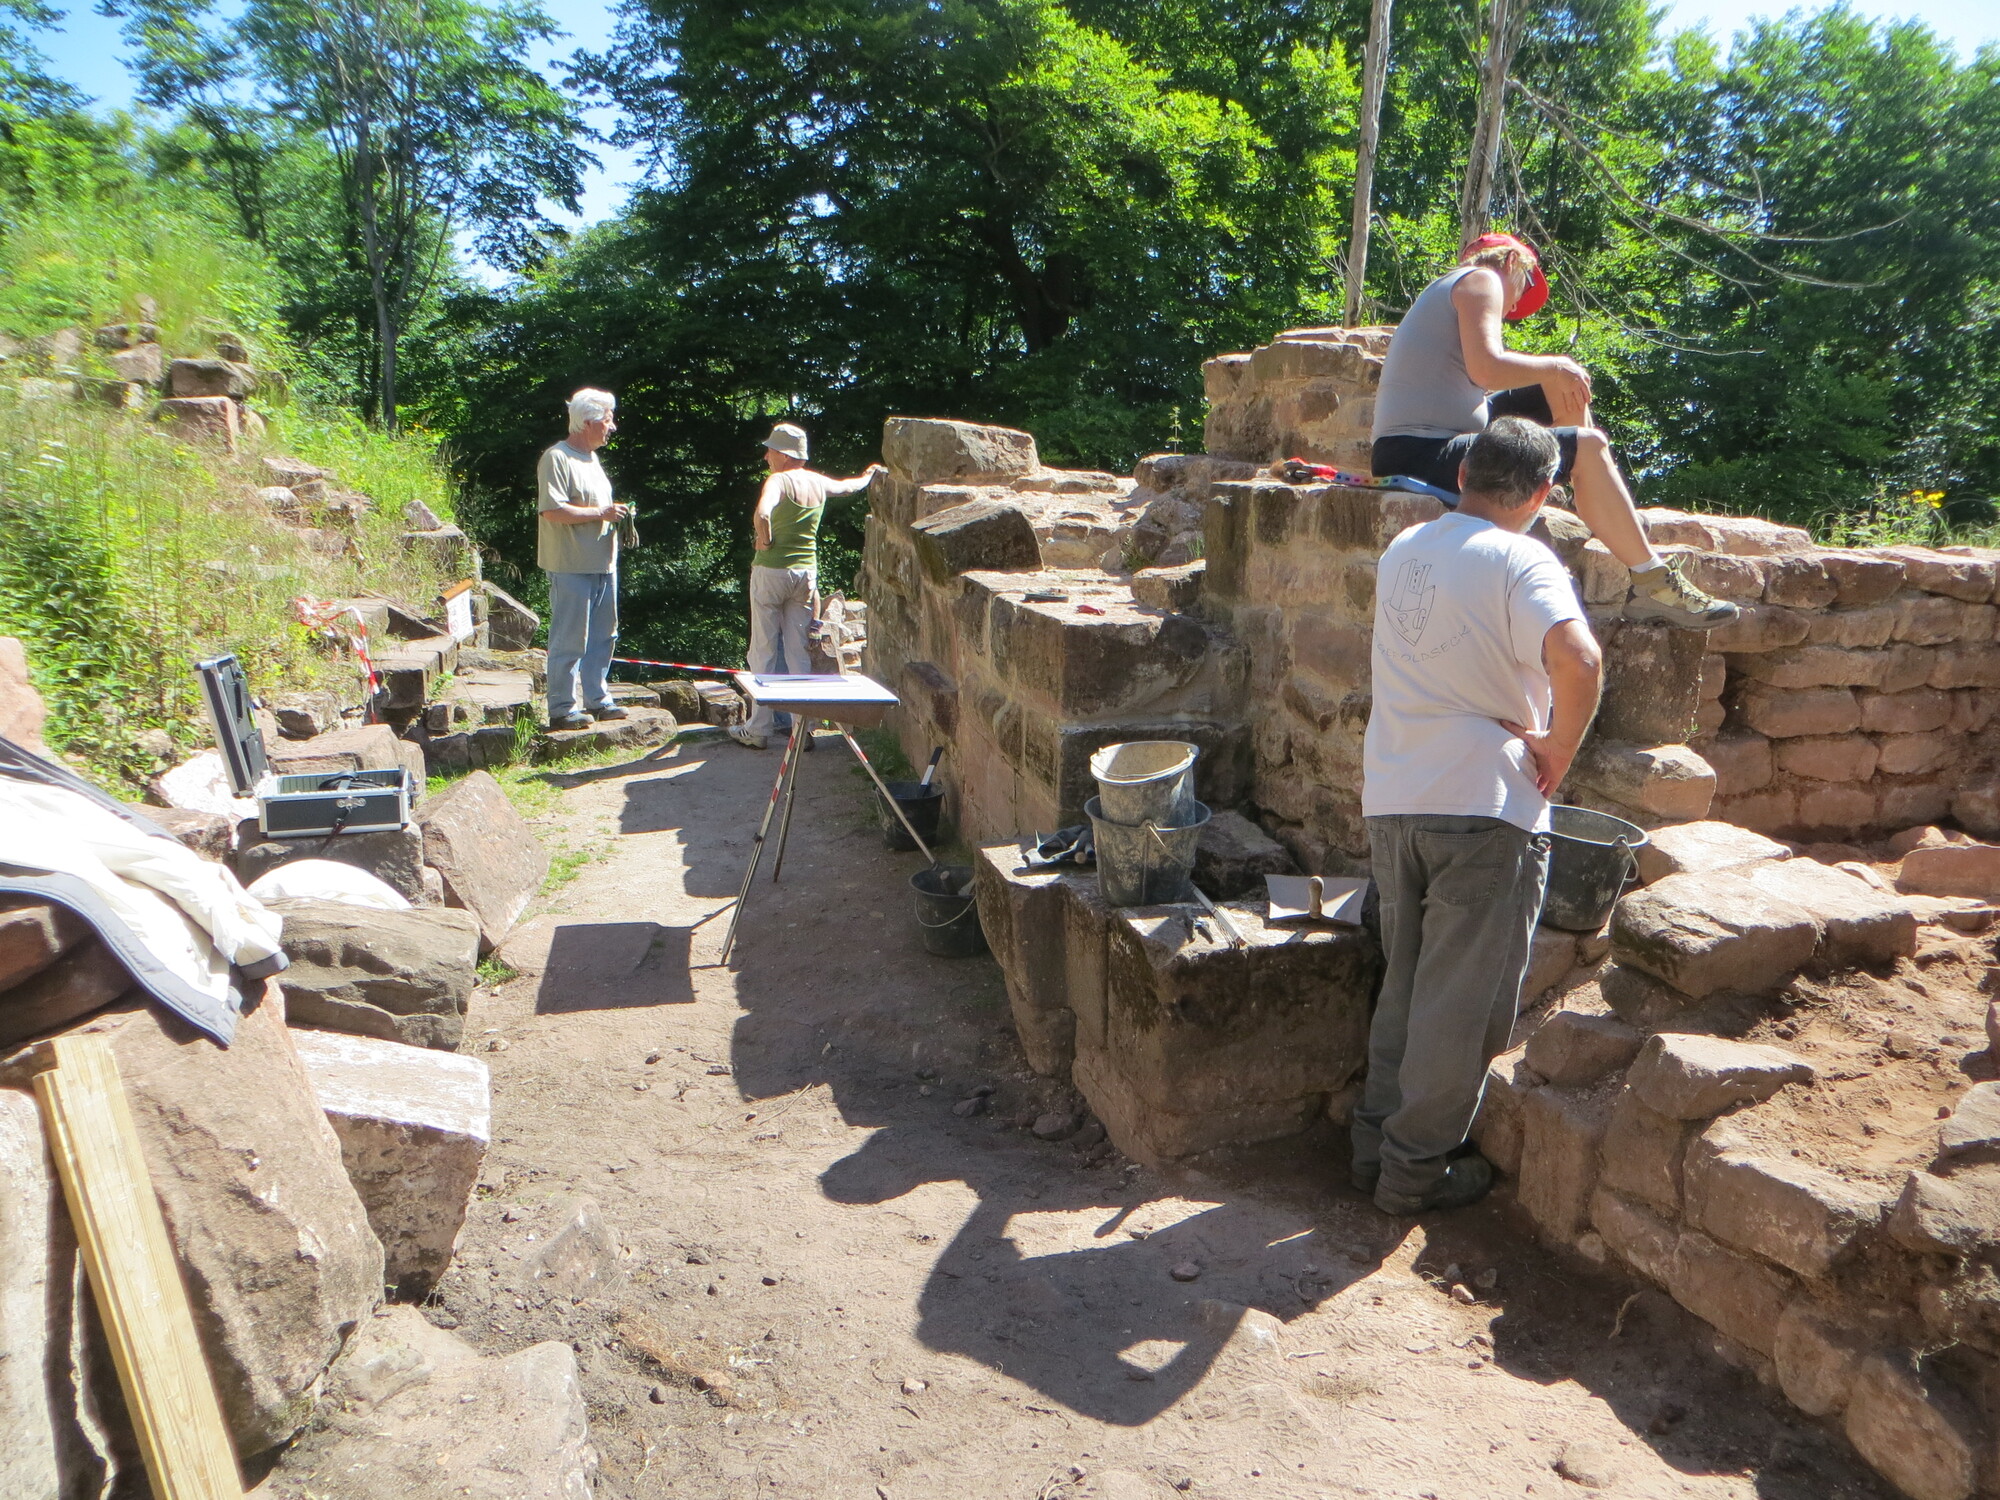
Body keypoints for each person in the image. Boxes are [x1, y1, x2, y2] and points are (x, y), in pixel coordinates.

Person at [1352, 418, 1604, 1216]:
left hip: (1395, 795)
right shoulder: (1522, 557)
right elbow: (1580, 659)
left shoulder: (1405, 549)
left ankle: (1372, 1149)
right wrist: (1558, 749)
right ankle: (1412, 1175)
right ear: (1543, 493)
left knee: (1406, 986)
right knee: (1460, 1005)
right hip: (1482, 805)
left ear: (1462, 475)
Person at [1371, 233, 1737, 631]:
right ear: (1511, 262)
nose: (1515, 305)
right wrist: (1556, 366)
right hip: (1421, 451)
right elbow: (1487, 369)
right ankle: (1652, 582)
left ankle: (1595, 499)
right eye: (1525, 286)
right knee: (1587, 441)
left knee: (1561, 385)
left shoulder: (1449, 287)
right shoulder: (1481, 279)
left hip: (1425, 441)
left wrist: (1556, 374)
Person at [728, 423, 884, 750]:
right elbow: (848, 487)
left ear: (785, 455)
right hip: (805, 574)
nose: (766, 456)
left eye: (771, 450)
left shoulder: (778, 481)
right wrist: (868, 476)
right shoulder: (817, 481)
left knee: (763, 650)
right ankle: (802, 731)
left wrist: (764, 540)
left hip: (771, 572)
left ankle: (758, 729)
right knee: (798, 652)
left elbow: (762, 513)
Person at [538, 388, 632, 732]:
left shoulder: (592, 459)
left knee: (605, 636)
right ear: (588, 422)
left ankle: (598, 699)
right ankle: (562, 708)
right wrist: (601, 513)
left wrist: (615, 515)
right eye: (608, 420)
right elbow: (552, 511)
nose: (613, 427)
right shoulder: (557, 457)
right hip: (570, 566)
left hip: (604, 565)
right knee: (569, 639)